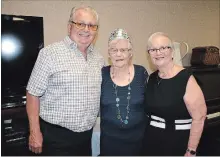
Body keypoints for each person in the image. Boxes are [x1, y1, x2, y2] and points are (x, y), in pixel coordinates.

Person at [26, 6, 105, 156]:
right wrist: (34, 132)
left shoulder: (99, 59)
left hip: (85, 137)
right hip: (56, 138)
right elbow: (32, 94)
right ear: (70, 26)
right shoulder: (49, 54)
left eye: (92, 25)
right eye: (80, 24)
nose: (86, 29)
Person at [142, 32, 207, 156]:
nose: (158, 52)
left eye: (163, 48)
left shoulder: (186, 78)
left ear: (172, 51)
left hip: (178, 142)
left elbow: (199, 118)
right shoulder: (151, 78)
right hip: (152, 141)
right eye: (153, 49)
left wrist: (191, 150)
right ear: (149, 54)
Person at [100, 28, 148, 156]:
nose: (118, 54)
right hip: (110, 144)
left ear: (130, 53)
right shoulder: (102, 74)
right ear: (109, 54)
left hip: (138, 143)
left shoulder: (141, 73)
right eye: (114, 50)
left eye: (123, 50)